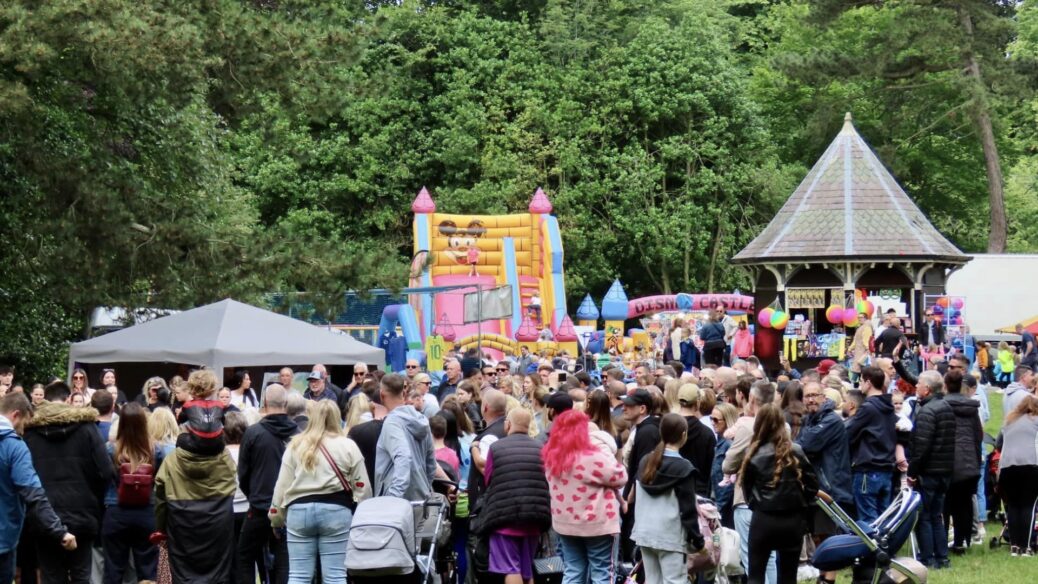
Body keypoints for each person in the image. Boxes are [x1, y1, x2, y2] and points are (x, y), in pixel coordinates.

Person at [270, 400, 371, 584]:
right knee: (335, 575)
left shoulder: (295, 445)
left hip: (299, 512)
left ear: (312, 417)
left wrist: (276, 518)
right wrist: (361, 516)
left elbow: (281, 486)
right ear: (337, 418)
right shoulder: (348, 445)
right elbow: (362, 487)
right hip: (337, 511)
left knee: (298, 575)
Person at [154, 369, 238, 583]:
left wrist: (160, 527)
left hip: (182, 521)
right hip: (217, 518)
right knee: (217, 575)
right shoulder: (223, 456)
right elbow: (232, 481)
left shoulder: (173, 460)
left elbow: (160, 494)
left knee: (184, 574)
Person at [23, 381, 110, 584]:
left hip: (44, 516)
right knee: (81, 575)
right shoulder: (87, 428)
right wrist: (94, 499)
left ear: (44, 399)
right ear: (69, 399)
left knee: (51, 576)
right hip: (83, 513)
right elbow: (106, 472)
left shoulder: (30, 432)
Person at [0, 392, 78, 584]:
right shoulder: (14, 447)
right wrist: (60, 531)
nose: (23, 431)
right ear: (16, 415)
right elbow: (33, 495)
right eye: (24, 424)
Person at [542, 409, 626, 584]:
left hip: (565, 524)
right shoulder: (592, 456)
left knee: (572, 570)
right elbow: (620, 477)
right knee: (602, 572)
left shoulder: (552, 457)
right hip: (597, 524)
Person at [740, 404, 818, 584]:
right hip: (792, 520)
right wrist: (800, 502)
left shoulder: (753, 453)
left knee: (756, 574)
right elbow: (813, 485)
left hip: (764, 519)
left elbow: (747, 489)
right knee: (788, 576)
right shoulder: (796, 451)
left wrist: (758, 505)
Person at [475, 408, 552, 584]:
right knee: (527, 570)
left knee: (510, 567)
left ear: (508, 424)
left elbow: (489, 480)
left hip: (504, 517)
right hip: (535, 516)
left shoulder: (496, 448)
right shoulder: (541, 448)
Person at [631, 413, 705, 583]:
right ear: (683, 435)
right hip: (670, 537)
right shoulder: (684, 468)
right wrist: (697, 541)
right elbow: (688, 511)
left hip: (645, 533)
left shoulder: (645, 461)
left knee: (652, 581)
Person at [236, 384, 298, 584]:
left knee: (244, 556)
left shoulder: (253, 433)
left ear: (264, 403)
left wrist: (253, 494)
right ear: (286, 404)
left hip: (260, 505)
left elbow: (243, 473)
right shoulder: (298, 435)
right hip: (288, 507)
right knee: (283, 559)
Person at [795, 381, 852, 584]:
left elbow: (804, 445)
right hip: (815, 487)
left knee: (827, 536)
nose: (811, 399)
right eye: (807, 396)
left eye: (815, 395)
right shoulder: (810, 420)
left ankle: (828, 580)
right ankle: (823, 576)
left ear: (824, 398)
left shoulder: (830, 421)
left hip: (829, 488)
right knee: (818, 536)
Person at [103, 402, 166, 584]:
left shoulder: (110, 449)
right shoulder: (156, 450)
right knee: (148, 571)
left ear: (121, 423)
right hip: (147, 512)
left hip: (116, 511)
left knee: (113, 570)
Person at [908, 370, 955, 569]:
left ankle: (928, 557)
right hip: (944, 470)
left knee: (924, 516)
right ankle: (942, 556)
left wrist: (912, 472)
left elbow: (922, 446)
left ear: (926, 389)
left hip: (928, 471)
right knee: (937, 515)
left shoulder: (927, 412)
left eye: (918, 384)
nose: (916, 386)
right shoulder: (946, 407)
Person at [844, 366, 898, 524]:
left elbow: (850, 432)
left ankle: (873, 549)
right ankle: (886, 548)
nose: (859, 384)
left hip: (868, 470)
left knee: (868, 521)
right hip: (886, 469)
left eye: (861, 380)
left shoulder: (868, 407)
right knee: (884, 519)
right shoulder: (889, 406)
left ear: (868, 383)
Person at [373, 373, 438, 499]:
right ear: (403, 394)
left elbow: (404, 456)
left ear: (382, 395)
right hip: (420, 499)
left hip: (397, 507)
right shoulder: (421, 419)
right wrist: (424, 488)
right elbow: (431, 464)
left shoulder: (392, 423)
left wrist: (393, 497)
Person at [941, 370, 983, 555]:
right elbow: (978, 436)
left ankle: (941, 540)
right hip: (968, 462)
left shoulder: (942, 406)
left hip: (947, 461)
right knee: (964, 504)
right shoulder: (972, 409)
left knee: (945, 504)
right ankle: (961, 541)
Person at [997, 395, 1038, 556]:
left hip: (1007, 467)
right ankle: (1026, 546)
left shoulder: (1009, 422)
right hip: (1031, 465)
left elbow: (1001, 445)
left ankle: (1014, 546)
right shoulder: (1036, 421)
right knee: (1029, 506)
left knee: (1013, 506)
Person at [675, 384, 715, 498]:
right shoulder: (706, 433)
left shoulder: (668, 427)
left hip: (672, 488)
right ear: (698, 403)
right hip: (699, 491)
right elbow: (711, 468)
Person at [850, 312, 874, 382]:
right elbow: (855, 340)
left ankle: (853, 385)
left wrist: (868, 350)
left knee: (859, 370)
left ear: (865, 318)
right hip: (860, 352)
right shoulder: (861, 327)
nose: (859, 319)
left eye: (861, 317)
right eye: (858, 318)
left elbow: (866, 341)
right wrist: (850, 348)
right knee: (860, 370)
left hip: (863, 352)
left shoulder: (866, 327)